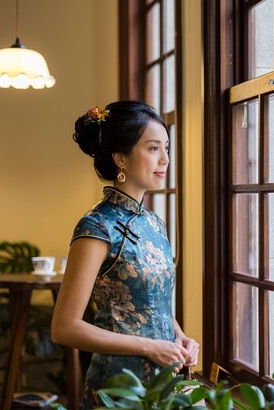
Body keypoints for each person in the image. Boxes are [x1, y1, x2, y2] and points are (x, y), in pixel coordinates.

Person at [51, 101, 199, 409]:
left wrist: (181, 339)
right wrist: (149, 347)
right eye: (153, 148)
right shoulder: (97, 226)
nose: (165, 159)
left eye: (166, 148)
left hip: (164, 383)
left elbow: (151, 304)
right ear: (121, 158)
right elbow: (64, 327)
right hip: (118, 388)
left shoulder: (155, 223)